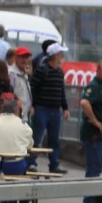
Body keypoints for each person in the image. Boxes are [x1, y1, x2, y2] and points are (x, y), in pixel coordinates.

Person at [31, 42, 69, 173]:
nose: (62, 56)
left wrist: (65, 107)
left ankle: (54, 164)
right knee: (37, 137)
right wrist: (33, 105)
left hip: (55, 110)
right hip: (42, 108)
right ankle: (31, 162)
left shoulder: (60, 72)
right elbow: (33, 88)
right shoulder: (42, 70)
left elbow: (61, 91)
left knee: (54, 139)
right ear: (55, 55)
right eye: (61, 54)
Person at [80, 59, 102, 203]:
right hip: (93, 135)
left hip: (99, 136)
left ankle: (91, 199)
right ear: (98, 71)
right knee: (93, 167)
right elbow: (84, 103)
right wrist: (95, 121)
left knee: (96, 165)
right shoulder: (94, 86)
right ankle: (90, 201)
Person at [0, 96, 34, 175]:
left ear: (1, 109)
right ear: (17, 111)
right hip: (17, 166)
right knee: (28, 158)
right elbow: (29, 146)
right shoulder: (25, 126)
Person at [8, 46, 36, 123]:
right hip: (15, 117)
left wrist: (30, 106)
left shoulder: (25, 74)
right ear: (15, 58)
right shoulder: (11, 74)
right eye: (22, 57)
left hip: (25, 116)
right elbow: (9, 95)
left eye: (26, 57)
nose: (24, 60)